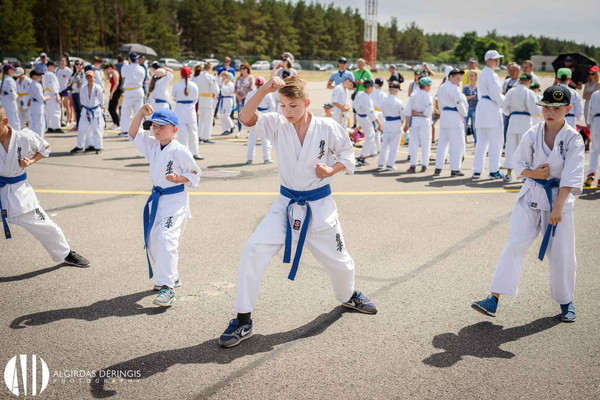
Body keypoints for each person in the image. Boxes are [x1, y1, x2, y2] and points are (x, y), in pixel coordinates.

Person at [218, 76, 378, 348]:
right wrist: (264, 89)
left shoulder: (327, 126)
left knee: (341, 263)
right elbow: (246, 118)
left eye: (293, 106)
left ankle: (348, 295)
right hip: (286, 205)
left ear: (306, 103)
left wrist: (331, 170)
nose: (287, 111)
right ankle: (243, 320)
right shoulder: (277, 124)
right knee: (253, 250)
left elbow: (347, 154)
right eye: (282, 105)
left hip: (320, 206)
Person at [471, 85, 585, 323]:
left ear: (568, 109)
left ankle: (566, 301)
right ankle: (493, 298)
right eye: (547, 107)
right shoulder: (532, 133)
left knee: (562, 254)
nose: (550, 112)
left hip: (558, 200)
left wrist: (558, 207)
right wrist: (535, 173)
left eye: (557, 108)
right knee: (514, 245)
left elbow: (572, 176)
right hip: (531, 196)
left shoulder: (573, 138)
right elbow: (518, 165)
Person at [127, 105, 201, 306]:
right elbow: (133, 134)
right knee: (152, 241)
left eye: (162, 126)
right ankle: (171, 276)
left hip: (174, 202)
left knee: (167, 238)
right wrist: (140, 113)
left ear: (174, 129)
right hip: (157, 200)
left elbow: (195, 172)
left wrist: (179, 178)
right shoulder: (152, 145)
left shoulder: (180, 150)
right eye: (154, 126)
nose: (156, 130)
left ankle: (167, 288)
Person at [0, 105, 90, 267]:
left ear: (5, 121)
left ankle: (65, 253)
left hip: (19, 191)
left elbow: (45, 148)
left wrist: (31, 160)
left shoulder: (24, 137)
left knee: (44, 225)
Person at [501, 73, 539, 182]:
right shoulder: (529, 92)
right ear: (529, 81)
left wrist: (510, 112)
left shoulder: (511, 91)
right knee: (525, 148)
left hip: (513, 120)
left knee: (510, 147)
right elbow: (534, 110)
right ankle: (524, 175)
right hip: (525, 121)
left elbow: (505, 108)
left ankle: (509, 173)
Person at [473, 50, 505, 180]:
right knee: (495, 143)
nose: (498, 61)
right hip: (491, 107)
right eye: (495, 59)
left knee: (481, 143)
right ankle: (494, 170)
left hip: (482, 108)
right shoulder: (492, 75)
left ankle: (477, 171)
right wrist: (505, 103)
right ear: (488, 60)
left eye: (498, 59)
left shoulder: (483, 73)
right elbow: (496, 94)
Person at [434, 69, 469, 177]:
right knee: (455, 144)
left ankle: (438, 167)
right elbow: (459, 104)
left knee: (442, 143)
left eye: (460, 79)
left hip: (444, 115)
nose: (459, 81)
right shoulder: (454, 88)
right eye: (457, 78)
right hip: (454, 116)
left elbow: (439, 103)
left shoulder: (442, 87)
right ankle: (455, 168)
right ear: (450, 77)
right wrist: (464, 114)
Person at [403, 77, 434, 172]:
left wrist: (407, 123)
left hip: (415, 121)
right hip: (424, 121)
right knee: (425, 143)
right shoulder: (427, 96)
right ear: (426, 86)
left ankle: (413, 165)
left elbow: (408, 111)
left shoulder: (413, 95)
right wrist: (419, 113)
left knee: (414, 143)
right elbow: (429, 112)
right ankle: (424, 164)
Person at [71, 70, 105, 154]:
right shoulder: (83, 88)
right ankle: (79, 146)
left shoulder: (98, 88)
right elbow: (82, 100)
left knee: (96, 130)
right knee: (81, 129)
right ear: (86, 78)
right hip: (86, 110)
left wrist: (101, 106)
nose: (90, 79)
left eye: (91, 77)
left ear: (94, 78)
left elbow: (102, 99)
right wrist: (86, 106)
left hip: (95, 110)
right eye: (88, 77)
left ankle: (99, 147)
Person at [172, 66, 201, 161]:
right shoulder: (194, 85)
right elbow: (196, 99)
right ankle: (195, 152)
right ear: (190, 75)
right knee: (193, 132)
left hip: (180, 109)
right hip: (190, 109)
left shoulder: (177, 85)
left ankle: (183, 153)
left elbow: (174, 96)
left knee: (182, 133)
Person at [245, 76, 274, 164]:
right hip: (264, 116)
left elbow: (246, 105)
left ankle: (250, 158)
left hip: (254, 115)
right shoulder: (267, 94)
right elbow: (273, 106)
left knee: (252, 138)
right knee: (265, 138)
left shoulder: (251, 93)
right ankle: (267, 158)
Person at [354, 79, 382, 166]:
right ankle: (362, 157)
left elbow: (354, 105)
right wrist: (379, 124)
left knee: (370, 136)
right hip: (364, 118)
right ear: (370, 87)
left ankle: (366, 154)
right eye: (373, 87)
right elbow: (371, 113)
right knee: (370, 136)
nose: (374, 88)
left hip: (359, 116)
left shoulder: (359, 93)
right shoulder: (367, 98)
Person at [377, 81, 404, 171]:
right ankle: (390, 164)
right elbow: (402, 116)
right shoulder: (398, 102)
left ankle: (381, 163)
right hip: (396, 122)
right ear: (396, 90)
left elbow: (382, 112)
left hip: (387, 122)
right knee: (394, 146)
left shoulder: (383, 101)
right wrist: (402, 124)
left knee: (384, 145)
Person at [119, 52, 146, 136]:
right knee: (139, 112)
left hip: (129, 91)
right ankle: (139, 130)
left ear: (129, 59)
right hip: (139, 90)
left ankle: (125, 130)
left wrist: (126, 64)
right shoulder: (142, 68)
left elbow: (123, 76)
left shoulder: (126, 67)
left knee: (125, 111)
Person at [195, 62, 219, 144]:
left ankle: (199, 136)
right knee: (208, 120)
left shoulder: (199, 77)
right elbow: (215, 90)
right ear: (210, 68)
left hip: (201, 99)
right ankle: (206, 137)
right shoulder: (210, 77)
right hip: (208, 99)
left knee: (201, 120)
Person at [585, 88, 600, 187]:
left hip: (596, 121)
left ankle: (591, 173)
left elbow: (590, 109)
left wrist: (589, 122)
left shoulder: (595, 94)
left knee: (594, 149)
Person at [43, 61, 63, 133]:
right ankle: (56, 127)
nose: (55, 68)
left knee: (48, 111)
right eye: (54, 66)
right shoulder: (51, 74)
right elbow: (53, 85)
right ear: (49, 67)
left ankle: (50, 126)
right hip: (52, 94)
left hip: (47, 93)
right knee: (55, 110)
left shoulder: (45, 74)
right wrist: (56, 94)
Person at [26, 71, 47, 137]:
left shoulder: (30, 84)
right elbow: (40, 97)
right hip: (38, 105)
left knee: (33, 123)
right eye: (39, 75)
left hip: (33, 104)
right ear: (34, 76)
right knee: (39, 124)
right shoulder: (37, 85)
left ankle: (33, 138)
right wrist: (46, 98)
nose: (40, 77)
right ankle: (40, 138)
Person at [234, 62, 254, 132]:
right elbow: (235, 88)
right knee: (239, 114)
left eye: (244, 68)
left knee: (248, 115)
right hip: (238, 98)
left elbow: (251, 89)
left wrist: (243, 97)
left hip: (247, 98)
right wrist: (238, 96)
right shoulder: (238, 78)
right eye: (241, 68)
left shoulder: (250, 78)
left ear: (247, 69)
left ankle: (249, 131)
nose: (242, 70)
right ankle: (239, 130)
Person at [104, 63, 123, 130]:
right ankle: (115, 123)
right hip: (114, 91)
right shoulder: (113, 73)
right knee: (111, 108)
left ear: (110, 68)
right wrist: (107, 75)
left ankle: (117, 123)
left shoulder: (115, 72)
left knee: (112, 108)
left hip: (115, 92)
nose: (106, 71)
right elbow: (111, 81)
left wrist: (112, 93)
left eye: (107, 70)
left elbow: (116, 83)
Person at [1, 64, 20, 129]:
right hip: (10, 102)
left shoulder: (3, 80)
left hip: (4, 101)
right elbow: (12, 92)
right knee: (14, 121)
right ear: (9, 71)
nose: (14, 71)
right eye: (13, 70)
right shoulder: (9, 80)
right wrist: (16, 97)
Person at [56, 56, 74, 127]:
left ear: (66, 62)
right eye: (61, 61)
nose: (62, 62)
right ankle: (61, 119)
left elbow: (72, 78)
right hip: (58, 90)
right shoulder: (57, 70)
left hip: (65, 89)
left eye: (64, 61)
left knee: (67, 105)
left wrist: (69, 84)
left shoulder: (68, 70)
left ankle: (68, 120)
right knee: (60, 106)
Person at [463, 70, 478, 144]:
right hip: (466, 109)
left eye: (472, 76)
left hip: (475, 109)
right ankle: (463, 142)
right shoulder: (466, 87)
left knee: (475, 127)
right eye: (469, 76)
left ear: (476, 77)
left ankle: (476, 142)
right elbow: (464, 98)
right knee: (464, 127)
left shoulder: (478, 88)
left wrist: (469, 97)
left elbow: (479, 98)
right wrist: (473, 96)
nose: (470, 77)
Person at [218, 71, 235, 136]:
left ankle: (232, 126)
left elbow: (225, 91)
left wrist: (222, 85)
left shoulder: (230, 84)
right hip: (223, 100)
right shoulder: (224, 83)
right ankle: (225, 130)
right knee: (222, 116)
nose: (223, 78)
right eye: (222, 77)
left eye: (224, 77)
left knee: (226, 115)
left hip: (228, 100)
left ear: (228, 77)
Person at [69, 60, 85, 131]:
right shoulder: (74, 73)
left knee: (81, 109)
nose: (78, 65)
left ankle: (82, 125)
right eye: (76, 64)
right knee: (76, 110)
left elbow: (81, 83)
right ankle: (78, 124)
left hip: (80, 93)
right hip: (74, 92)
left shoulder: (83, 73)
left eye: (80, 64)